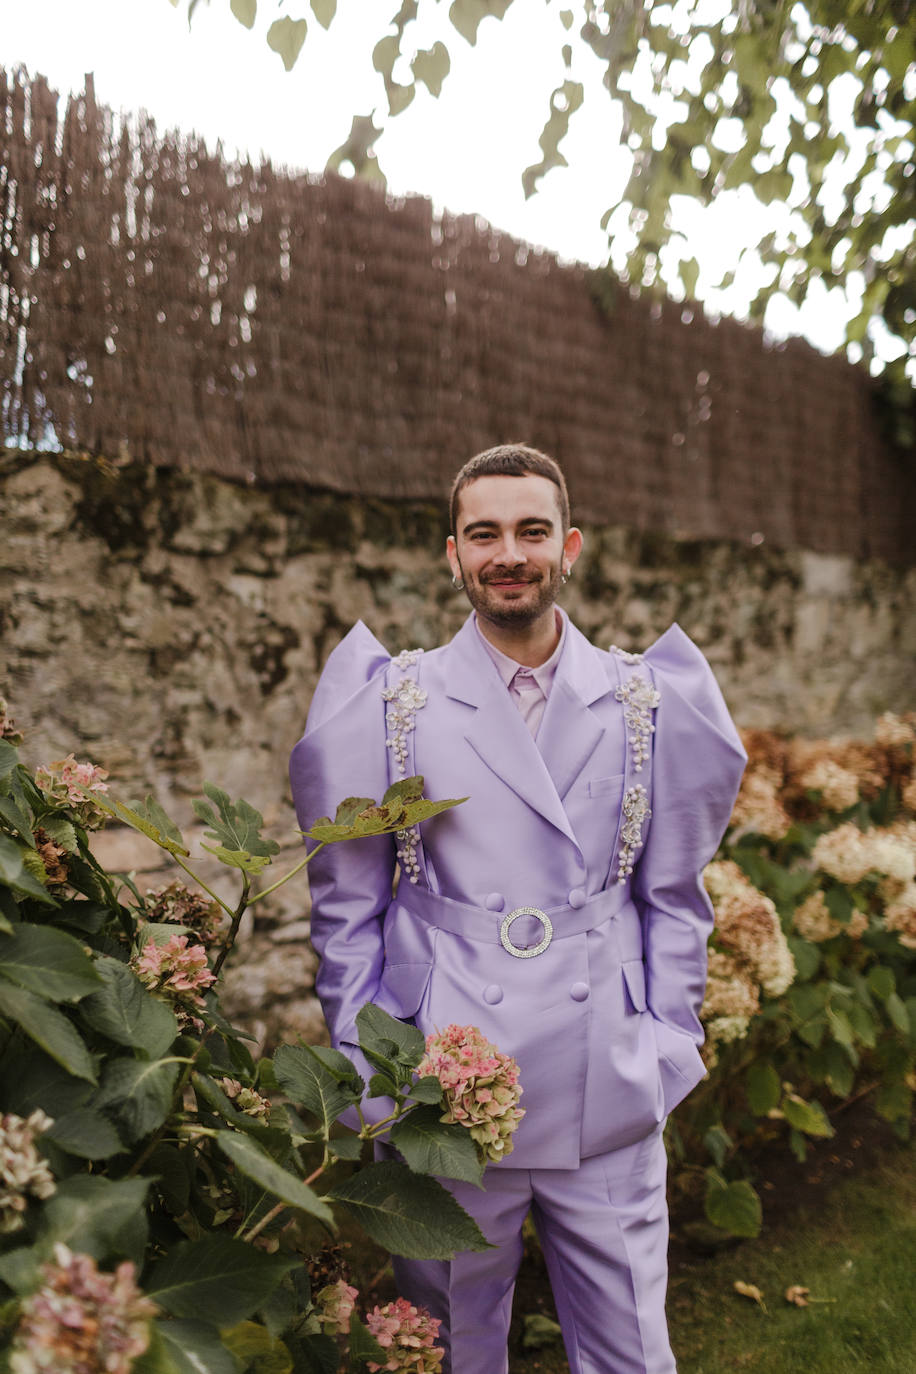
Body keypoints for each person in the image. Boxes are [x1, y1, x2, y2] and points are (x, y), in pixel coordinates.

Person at [289, 444, 746, 1374]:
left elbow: (674, 894)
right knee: (451, 1350)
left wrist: (665, 1042)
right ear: (452, 555)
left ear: (568, 547)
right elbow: (345, 905)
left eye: (532, 532)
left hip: (608, 1078)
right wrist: (369, 1062)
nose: (510, 553)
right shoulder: (394, 699)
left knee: (631, 1352)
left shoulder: (643, 699)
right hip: (439, 1084)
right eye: (484, 533)